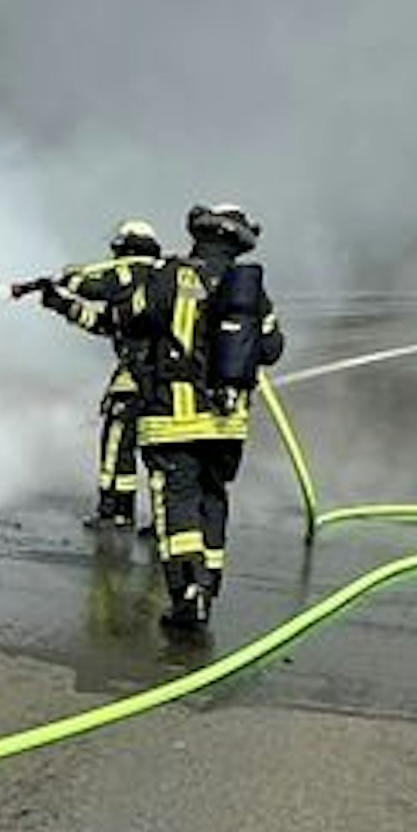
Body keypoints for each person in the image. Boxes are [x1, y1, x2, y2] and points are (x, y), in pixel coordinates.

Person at [108, 202, 285, 631]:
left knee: (178, 503)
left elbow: (127, 319)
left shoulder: (169, 275)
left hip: (172, 421)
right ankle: (208, 586)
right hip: (228, 425)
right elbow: (273, 348)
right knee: (213, 499)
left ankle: (188, 597)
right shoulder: (249, 288)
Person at [26, 220, 163, 530]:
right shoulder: (154, 283)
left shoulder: (130, 272)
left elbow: (94, 287)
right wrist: (61, 305)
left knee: (117, 443)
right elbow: (105, 323)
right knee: (159, 455)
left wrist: (67, 278)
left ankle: (114, 511)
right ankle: (159, 519)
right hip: (162, 383)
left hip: (136, 380)